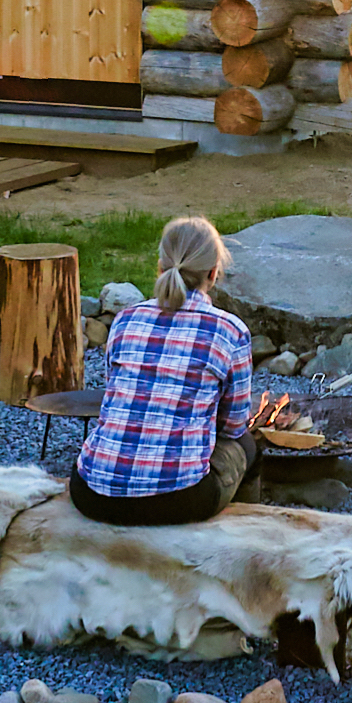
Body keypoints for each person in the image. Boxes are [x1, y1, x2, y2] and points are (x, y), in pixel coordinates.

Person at [69, 216, 257, 526]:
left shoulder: (125, 319)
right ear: (214, 273)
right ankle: (245, 541)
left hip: (92, 493)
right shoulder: (229, 330)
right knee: (248, 447)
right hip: (180, 498)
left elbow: (114, 393)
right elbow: (233, 425)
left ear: (160, 266)